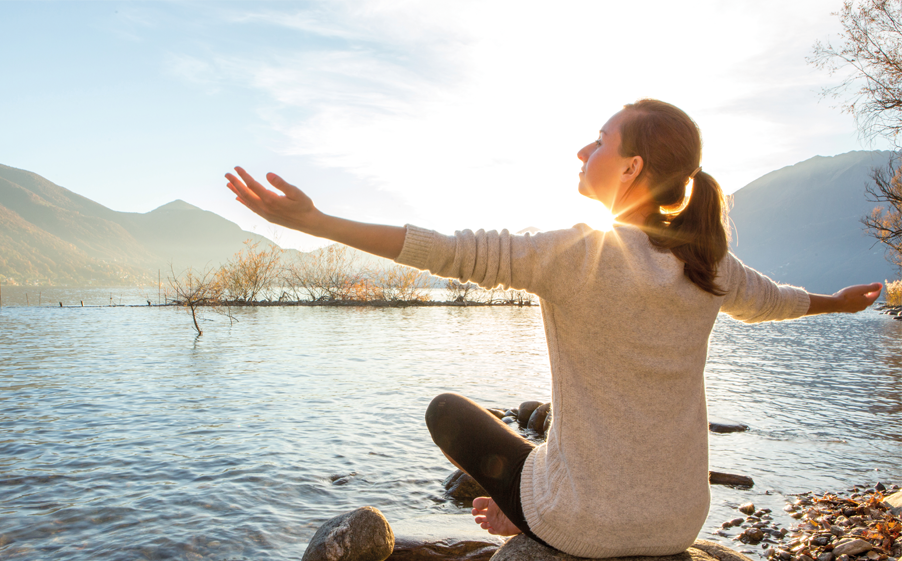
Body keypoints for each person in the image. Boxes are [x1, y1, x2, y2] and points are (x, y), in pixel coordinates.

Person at [224, 99, 881, 558]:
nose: (581, 148)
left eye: (599, 140)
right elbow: (777, 301)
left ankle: (528, 515)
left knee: (448, 410)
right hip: (679, 520)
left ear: (628, 168)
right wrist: (840, 302)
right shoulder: (706, 264)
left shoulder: (576, 253)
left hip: (584, 525)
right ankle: (531, 507)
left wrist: (317, 223)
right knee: (549, 450)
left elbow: (446, 249)